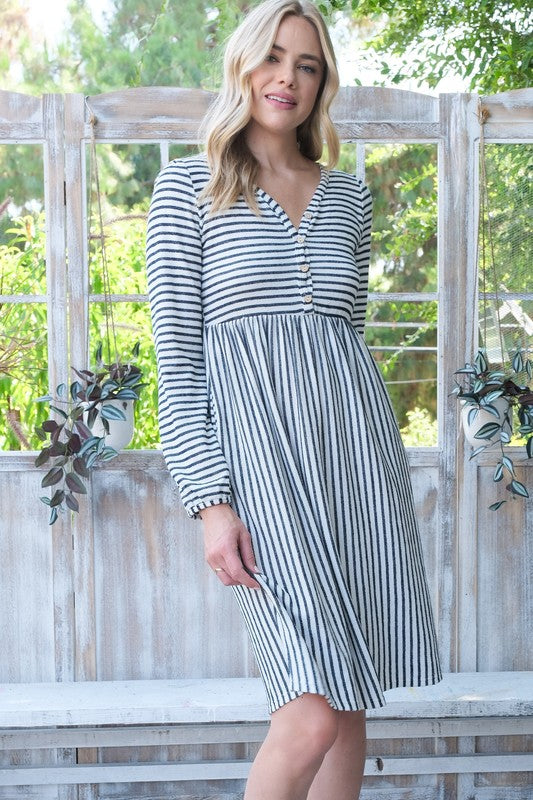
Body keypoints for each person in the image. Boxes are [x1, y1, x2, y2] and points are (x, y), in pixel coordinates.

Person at [146, 1, 443, 797]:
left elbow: (345, 340)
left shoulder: (347, 197)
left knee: (347, 705)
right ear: (242, 64)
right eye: (273, 57)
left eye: (307, 65)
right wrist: (209, 500)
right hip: (261, 473)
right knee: (309, 712)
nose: (287, 78)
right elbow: (177, 363)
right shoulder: (186, 188)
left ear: (323, 83)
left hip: (356, 465)